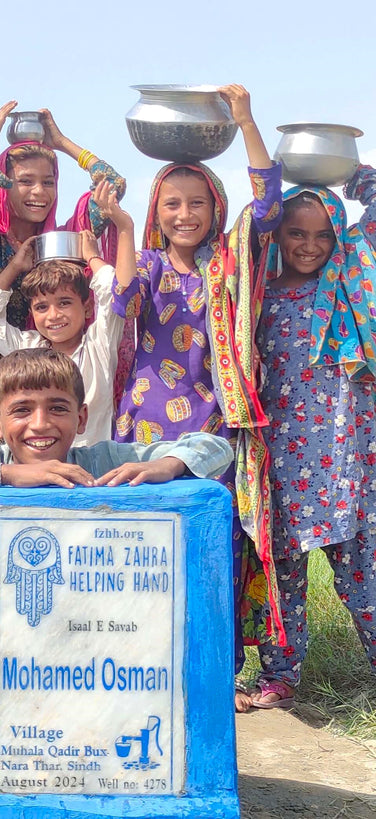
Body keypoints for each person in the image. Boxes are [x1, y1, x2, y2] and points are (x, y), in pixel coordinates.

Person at [0, 348, 234, 759]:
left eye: (58, 408)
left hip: (80, 652)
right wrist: (8, 475)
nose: (40, 424)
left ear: (81, 418)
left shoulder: (99, 460)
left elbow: (213, 446)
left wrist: (167, 465)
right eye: (22, 410)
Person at [111, 85, 285, 711]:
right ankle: (140, 660)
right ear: (158, 212)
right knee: (146, 545)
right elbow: (122, 303)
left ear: (215, 207)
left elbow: (268, 206)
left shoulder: (232, 259)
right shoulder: (152, 267)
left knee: (218, 546)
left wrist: (244, 118)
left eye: (196, 204)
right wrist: (126, 231)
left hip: (218, 428)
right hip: (146, 427)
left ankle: (214, 667)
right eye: (171, 205)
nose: (184, 215)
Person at [250, 186, 376, 708]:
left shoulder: (352, 287)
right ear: (277, 235)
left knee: (365, 574)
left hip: (347, 456)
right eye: (296, 233)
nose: (310, 245)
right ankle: (280, 676)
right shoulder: (256, 298)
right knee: (283, 577)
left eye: (325, 234)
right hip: (281, 459)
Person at [0, 102, 128, 441]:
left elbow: (112, 183)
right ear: (4, 185)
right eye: (24, 181)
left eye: (47, 182)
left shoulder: (64, 242)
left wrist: (62, 142)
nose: (39, 193)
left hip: (64, 365)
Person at [0, 182, 135, 445]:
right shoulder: (29, 348)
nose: (53, 315)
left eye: (64, 303)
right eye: (41, 307)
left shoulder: (99, 345)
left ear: (87, 308)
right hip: (38, 465)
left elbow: (111, 291)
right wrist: (15, 267)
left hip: (93, 470)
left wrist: (92, 257)